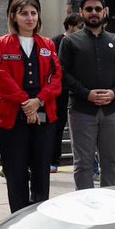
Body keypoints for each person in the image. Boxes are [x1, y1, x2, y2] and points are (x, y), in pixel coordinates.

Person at [0, 0, 62, 212]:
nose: (29, 18)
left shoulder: (48, 44)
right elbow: (0, 77)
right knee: (16, 170)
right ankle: (18, 215)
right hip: (13, 116)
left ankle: (40, 214)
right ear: (14, 16)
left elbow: (56, 77)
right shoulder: (1, 44)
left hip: (43, 114)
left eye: (33, 13)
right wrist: (26, 102)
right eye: (24, 13)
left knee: (41, 169)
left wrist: (38, 101)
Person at [59, 0, 115, 189]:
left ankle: (110, 206)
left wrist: (114, 92)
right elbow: (63, 74)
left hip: (112, 110)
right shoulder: (70, 42)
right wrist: (86, 93)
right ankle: (84, 209)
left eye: (98, 9)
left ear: (104, 12)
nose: (94, 13)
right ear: (81, 12)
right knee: (83, 165)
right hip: (82, 110)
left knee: (111, 163)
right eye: (89, 9)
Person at [50, 14, 84, 172]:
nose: (81, 30)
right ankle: (51, 160)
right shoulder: (56, 41)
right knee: (55, 126)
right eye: (79, 27)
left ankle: (54, 159)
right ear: (70, 26)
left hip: (73, 89)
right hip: (57, 90)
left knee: (63, 124)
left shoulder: (80, 42)